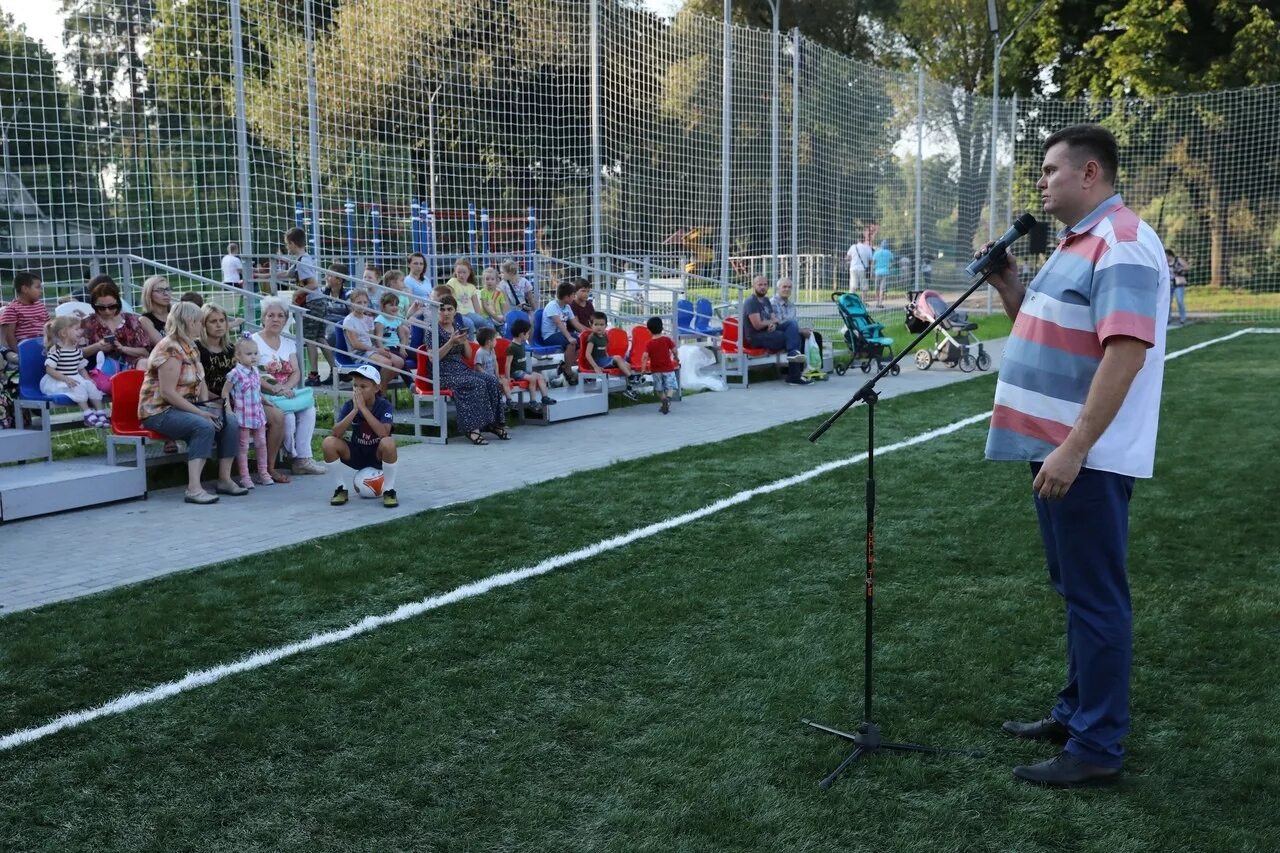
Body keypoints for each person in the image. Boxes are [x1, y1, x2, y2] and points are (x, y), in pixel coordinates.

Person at [984, 123, 1168, 788]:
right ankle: (1076, 711)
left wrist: (1075, 447)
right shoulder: (1076, 242)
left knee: (1096, 598)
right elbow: (1050, 328)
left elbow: (1123, 351)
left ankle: (1096, 747)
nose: (1041, 181)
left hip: (1086, 454)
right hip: (1058, 448)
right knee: (1077, 592)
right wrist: (1010, 290)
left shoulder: (1118, 243)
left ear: (1090, 174)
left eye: (1051, 170)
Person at [138, 301, 247, 504]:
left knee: (230, 421)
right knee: (203, 426)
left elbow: (201, 381)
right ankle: (194, 488)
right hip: (159, 411)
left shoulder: (190, 345)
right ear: (187, 322)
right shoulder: (169, 349)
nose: (201, 325)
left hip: (185, 407)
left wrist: (207, 407)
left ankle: (224, 479)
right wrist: (201, 414)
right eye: (198, 321)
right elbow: (168, 393)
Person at [198, 304, 285, 484]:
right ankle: (235, 475)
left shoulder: (232, 349)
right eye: (213, 321)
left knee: (278, 415)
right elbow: (199, 382)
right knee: (233, 424)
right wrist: (216, 402)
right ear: (204, 324)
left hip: (243, 399)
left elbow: (251, 374)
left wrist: (272, 389)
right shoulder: (199, 348)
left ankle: (268, 469)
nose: (219, 325)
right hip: (214, 400)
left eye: (222, 320)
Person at [252, 297, 324, 476]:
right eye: (271, 315)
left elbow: (296, 372)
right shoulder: (254, 341)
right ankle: (294, 456)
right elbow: (255, 373)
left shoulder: (288, 342)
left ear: (285, 320)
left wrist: (288, 388)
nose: (275, 319)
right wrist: (278, 389)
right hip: (264, 394)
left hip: (286, 393)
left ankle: (303, 458)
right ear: (263, 318)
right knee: (289, 417)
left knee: (309, 410)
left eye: (280, 316)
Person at [433, 295, 508, 445]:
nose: (446, 313)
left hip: (461, 369)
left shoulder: (457, 328)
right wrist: (450, 342)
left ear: (455, 311)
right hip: (443, 373)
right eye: (442, 309)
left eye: (449, 309)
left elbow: (467, 355)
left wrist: (464, 341)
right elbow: (433, 358)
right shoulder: (432, 330)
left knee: (492, 380)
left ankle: (493, 424)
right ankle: (472, 429)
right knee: (477, 383)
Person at [324, 363, 399, 508]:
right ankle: (340, 489)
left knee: (389, 442)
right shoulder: (349, 405)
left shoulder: (384, 405)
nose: (358, 391)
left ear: (377, 388)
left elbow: (384, 433)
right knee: (329, 442)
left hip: (377, 454)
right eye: (355, 386)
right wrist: (354, 410)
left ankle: (389, 491)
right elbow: (336, 433)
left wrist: (363, 409)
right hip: (357, 453)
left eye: (363, 387)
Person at [222, 337, 277, 489]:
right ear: (238, 356)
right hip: (243, 415)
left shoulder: (255, 372)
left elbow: (256, 391)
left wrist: (265, 400)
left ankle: (263, 473)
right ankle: (245, 477)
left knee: (261, 443)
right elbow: (225, 392)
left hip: (257, 414)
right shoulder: (235, 374)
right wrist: (227, 408)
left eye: (255, 353)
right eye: (248, 354)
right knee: (243, 446)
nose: (253, 357)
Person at [741, 274, 808, 386]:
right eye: (760, 284)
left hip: (768, 332)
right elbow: (757, 325)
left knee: (792, 324)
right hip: (756, 337)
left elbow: (774, 318)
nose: (763, 287)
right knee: (791, 336)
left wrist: (772, 323)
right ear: (754, 286)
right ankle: (794, 375)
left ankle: (794, 357)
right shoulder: (751, 302)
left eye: (765, 284)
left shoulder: (766, 300)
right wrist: (771, 323)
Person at [41, 315, 108, 427]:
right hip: (58, 380)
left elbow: (81, 368)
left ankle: (100, 412)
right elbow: (49, 370)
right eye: (76, 329)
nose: (80, 331)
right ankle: (87, 414)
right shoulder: (56, 349)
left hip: (74, 377)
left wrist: (88, 379)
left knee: (91, 386)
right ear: (64, 333)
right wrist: (65, 379)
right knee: (78, 387)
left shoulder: (76, 350)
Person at [80, 277, 152, 370]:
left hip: (130, 365)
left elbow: (145, 352)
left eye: (112, 306)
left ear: (118, 303)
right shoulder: (87, 323)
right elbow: (74, 353)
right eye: (101, 308)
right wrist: (97, 347)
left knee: (143, 362)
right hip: (98, 368)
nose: (107, 311)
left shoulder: (131, 320)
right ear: (94, 305)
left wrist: (123, 349)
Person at [342, 289, 403, 393]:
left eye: (365, 302)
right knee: (387, 363)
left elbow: (372, 339)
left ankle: (377, 388)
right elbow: (355, 344)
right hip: (359, 353)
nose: (362, 305)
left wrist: (381, 348)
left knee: (399, 362)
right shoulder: (348, 320)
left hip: (371, 350)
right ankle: (381, 392)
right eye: (359, 302)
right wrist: (377, 350)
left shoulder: (368, 318)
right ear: (352, 303)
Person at [305, 262, 349, 383]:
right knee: (316, 336)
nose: (326, 278)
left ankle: (332, 371)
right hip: (324, 324)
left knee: (328, 335)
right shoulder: (322, 293)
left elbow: (351, 315)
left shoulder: (348, 295)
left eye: (330, 276)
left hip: (340, 325)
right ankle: (333, 371)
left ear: (340, 280)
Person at [582, 311, 638, 400]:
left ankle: (628, 388)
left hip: (604, 360)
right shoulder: (592, 337)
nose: (599, 327)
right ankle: (631, 377)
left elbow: (604, 351)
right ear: (591, 325)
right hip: (597, 362)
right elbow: (587, 354)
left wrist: (609, 359)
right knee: (618, 358)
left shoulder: (604, 337)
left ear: (606, 325)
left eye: (601, 324)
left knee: (627, 365)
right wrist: (595, 367)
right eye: (596, 324)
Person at [504, 318, 556, 413]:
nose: (528, 335)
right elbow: (508, 364)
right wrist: (508, 377)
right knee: (532, 378)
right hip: (515, 373)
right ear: (521, 334)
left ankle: (544, 397)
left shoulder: (522, 344)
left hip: (523, 372)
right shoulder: (512, 347)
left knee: (540, 376)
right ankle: (532, 401)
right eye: (527, 333)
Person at [540, 281, 584, 385]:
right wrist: (569, 338)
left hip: (562, 335)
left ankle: (564, 366)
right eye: (573, 295)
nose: (574, 297)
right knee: (571, 343)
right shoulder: (552, 306)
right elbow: (559, 324)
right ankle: (568, 372)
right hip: (549, 336)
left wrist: (590, 333)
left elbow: (576, 324)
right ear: (566, 297)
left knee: (583, 342)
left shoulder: (567, 307)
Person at [2, 271, 50, 362]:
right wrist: (20, 352)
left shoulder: (41, 306)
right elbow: (9, 336)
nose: (41, 291)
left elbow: (49, 327)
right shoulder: (12, 309)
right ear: (25, 289)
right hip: (25, 347)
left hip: (45, 345)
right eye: (38, 287)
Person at [772, 277, 823, 353]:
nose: (787, 289)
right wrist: (801, 331)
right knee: (800, 336)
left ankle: (815, 364)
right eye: (784, 287)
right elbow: (780, 324)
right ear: (778, 289)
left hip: (792, 331)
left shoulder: (791, 305)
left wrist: (803, 329)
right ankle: (795, 358)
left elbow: (794, 322)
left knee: (816, 336)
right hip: (779, 332)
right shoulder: (773, 303)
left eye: (789, 287)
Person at [446, 257, 494, 338]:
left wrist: (479, 316)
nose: (461, 275)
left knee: (482, 321)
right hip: (456, 313)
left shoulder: (471, 287)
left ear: (469, 272)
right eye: (459, 272)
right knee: (469, 324)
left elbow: (477, 306)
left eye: (464, 272)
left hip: (468, 313)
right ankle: (470, 346)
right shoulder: (452, 281)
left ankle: (490, 340)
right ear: (455, 272)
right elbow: (448, 297)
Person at [641, 316, 678, 414]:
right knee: (670, 386)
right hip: (668, 369)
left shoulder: (649, 343)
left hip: (656, 370)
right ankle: (668, 399)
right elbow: (674, 350)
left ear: (649, 331)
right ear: (662, 328)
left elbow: (645, 356)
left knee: (659, 389)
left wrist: (643, 368)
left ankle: (663, 400)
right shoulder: (667, 340)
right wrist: (676, 357)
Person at [137, 275, 174, 345]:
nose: (166, 293)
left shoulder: (176, 313)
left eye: (168, 289)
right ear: (149, 294)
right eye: (160, 290)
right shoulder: (144, 320)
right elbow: (163, 345)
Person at [375, 290, 409, 364]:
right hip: (388, 347)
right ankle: (410, 376)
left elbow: (402, 337)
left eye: (396, 305)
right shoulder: (380, 320)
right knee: (401, 359)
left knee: (419, 355)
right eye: (391, 305)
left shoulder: (396, 319)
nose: (395, 307)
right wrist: (382, 350)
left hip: (398, 346)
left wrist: (402, 348)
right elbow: (378, 339)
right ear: (383, 306)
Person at [844, 227, 875, 293]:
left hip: (853, 268)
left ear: (858, 239)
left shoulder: (853, 246)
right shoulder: (867, 248)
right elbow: (871, 260)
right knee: (864, 287)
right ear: (864, 239)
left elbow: (848, 257)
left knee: (853, 286)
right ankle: (863, 301)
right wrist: (871, 271)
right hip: (863, 269)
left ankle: (851, 300)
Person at [1166, 249, 1189, 325]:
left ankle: (1183, 318)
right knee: (1168, 302)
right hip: (1169, 284)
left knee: (1180, 301)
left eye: (1166, 256)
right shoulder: (1165, 262)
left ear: (1170, 255)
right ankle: (1168, 318)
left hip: (1178, 284)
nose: (1165, 257)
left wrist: (1180, 269)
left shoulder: (1177, 259)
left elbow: (1187, 267)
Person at [872, 239, 895, 307]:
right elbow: (892, 263)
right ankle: (881, 303)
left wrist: (872, 272)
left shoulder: (876, 252)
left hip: (877, 272)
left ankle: (877, 302)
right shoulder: (889, 252)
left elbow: (873, 263)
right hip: (885, 272)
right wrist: (889, 266)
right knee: (882, 288)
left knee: (877, 288)